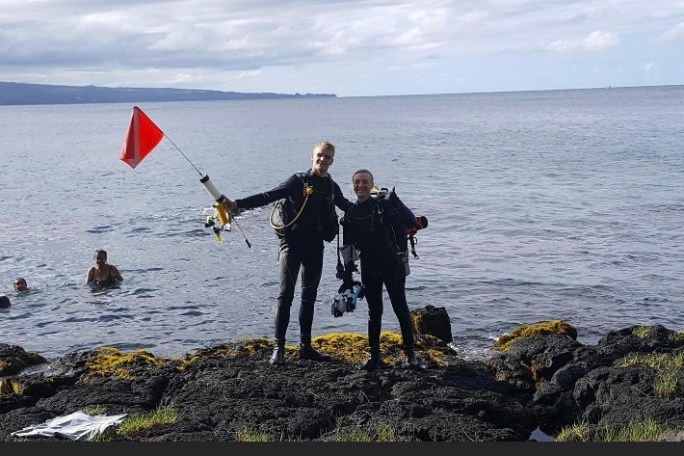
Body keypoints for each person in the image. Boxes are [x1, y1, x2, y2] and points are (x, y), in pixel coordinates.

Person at [221, 140, 353, 365]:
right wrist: (236, 204)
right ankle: (278, 348)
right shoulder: (297, 180)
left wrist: (376, 209)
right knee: (285, 296)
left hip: (315, 247)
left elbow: (348, 207)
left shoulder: (331, 186)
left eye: (327, 157)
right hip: (291, 246)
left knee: (309, 297)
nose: (322, 160)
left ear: (332, 161)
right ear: (312, 157)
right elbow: (269, 196)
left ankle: (306, 347)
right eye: (319, 156)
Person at [339, 169, 418, 371]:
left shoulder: (382, 205)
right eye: (357, 182)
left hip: (393, 264)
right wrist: (347, 278)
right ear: (352, 186)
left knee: (400, 307)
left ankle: (410, 355)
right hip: (369, 266)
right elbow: (348, 246)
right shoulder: (352, 212)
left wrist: (396, 202)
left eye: (365, 181)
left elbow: (410, 222)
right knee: (374, 311)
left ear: (371, 184)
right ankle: (374, 356)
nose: (361, 185)